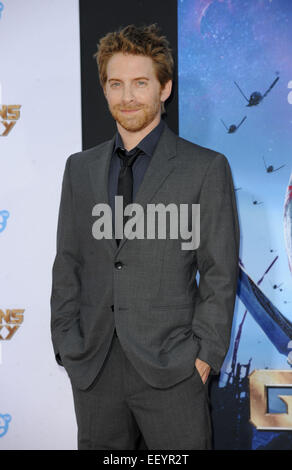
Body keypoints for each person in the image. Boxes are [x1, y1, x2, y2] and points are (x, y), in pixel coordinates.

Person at [50, 23, 240, 450]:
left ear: (165, 88)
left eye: (140, 83)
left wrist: (204, 356)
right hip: (95, 369)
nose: (128, 96)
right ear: (104, 89)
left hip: (173, 369)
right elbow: (69, 263)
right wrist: (67, 343)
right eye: (116, 84)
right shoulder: (79, 170)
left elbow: (219, 272)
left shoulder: (204, 168)